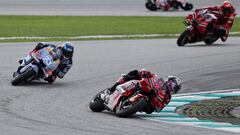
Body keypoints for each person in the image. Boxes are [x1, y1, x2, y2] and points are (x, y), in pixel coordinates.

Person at [107, 69, 182, 114]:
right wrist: (145, 73)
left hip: (148, 101)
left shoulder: (167, 97)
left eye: (175, 88)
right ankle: (112, 88)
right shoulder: (160, 80)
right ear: (169, 81)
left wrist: (155, 103)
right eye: (173, 85)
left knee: (150, 109)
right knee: (135, 73)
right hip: (143, 87)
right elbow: (151, 75)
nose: (172, 88)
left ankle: (131, 105)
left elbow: (159, 109)